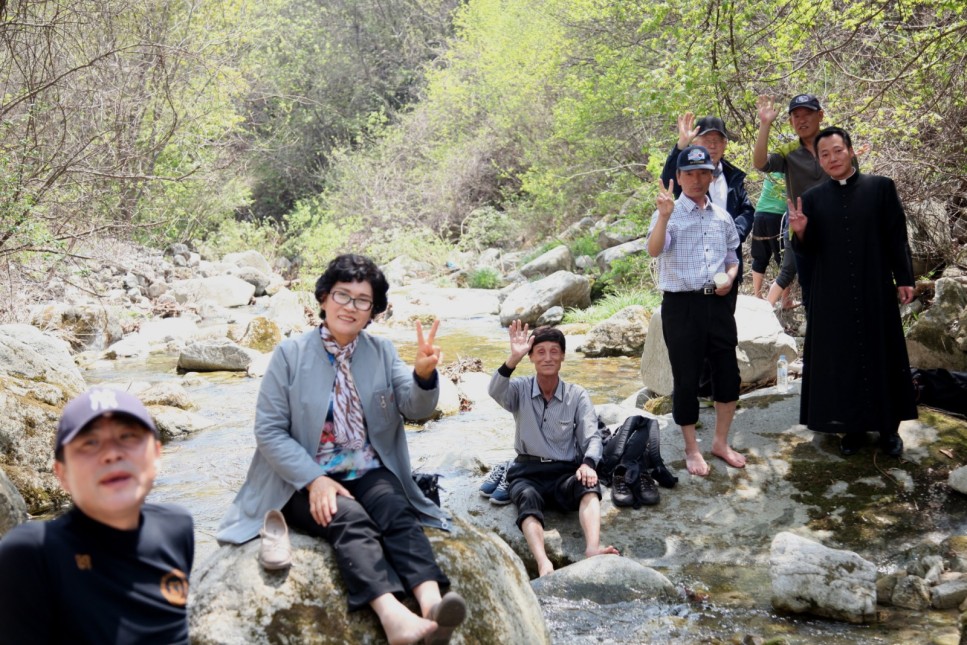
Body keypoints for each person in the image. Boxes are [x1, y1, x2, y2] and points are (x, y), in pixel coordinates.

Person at [217, 254, 466, 645]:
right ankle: (394, 618)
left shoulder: (381, 352)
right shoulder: (290, 355)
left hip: (365, 468)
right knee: (349, 519)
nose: (350, 307)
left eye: (363, 300)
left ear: (373, 311)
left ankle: (433, 604)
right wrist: (313, 479)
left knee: (395, 510)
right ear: (323, 298)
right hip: (298, 479)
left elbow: (416, 410)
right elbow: (268, 430)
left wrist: (423, 374)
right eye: (342, 295)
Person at [0, 388, 194, 644]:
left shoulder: (176, 528)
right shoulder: (33, 553)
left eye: (128, 436)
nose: (112, 454)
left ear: (157, 455)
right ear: (62, 474)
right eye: (90, 443)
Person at [787, 127, 917, 457]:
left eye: (837, 151)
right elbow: (808, 252)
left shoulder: (880, 187)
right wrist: (800, 232)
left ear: (851, 151)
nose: (832, 158)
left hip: (875, 287)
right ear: (818, 160)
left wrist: (905, 278)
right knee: (842, 359)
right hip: (834, 295)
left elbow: (896, 236)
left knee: (882, 354)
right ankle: (852, 427)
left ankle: (888, 429)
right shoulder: (812, 198)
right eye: (825, 154)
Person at [488, 322, 620, 577]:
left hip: (565, 473)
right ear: (531, 357)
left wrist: (588, 464)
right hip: (527, 471)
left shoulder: (576, 395)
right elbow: (494, 390)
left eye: (554, 351)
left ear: (563, 356)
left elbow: (592, 437)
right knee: (527, 498)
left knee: (589, 485)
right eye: (540, 352)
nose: (547, 358)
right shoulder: (519, 389)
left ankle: (592, 548)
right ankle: (543, 562)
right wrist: (512, 359)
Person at [647, 145, 746, 476]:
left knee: (728, 372)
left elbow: (732, 256)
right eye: (689, 173)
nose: (697, 179)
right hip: (681, 306)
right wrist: (663, 216)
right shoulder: (669, 213)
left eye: (704, 172)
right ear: (678, 177)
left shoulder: (722, 216)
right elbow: (654, 250)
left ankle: (720, 442)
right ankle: (691, 448)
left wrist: (730, 277)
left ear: (712, 176)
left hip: (717, 303)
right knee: (686, 377)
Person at [754, 93, 859, 310]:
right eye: (796, 116)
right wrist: (765, 125)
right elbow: (760, 163)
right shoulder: (789, 153)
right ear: (790, 122)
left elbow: (855, 186)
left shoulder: (838, 147)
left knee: (845, 291)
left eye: (807, 114)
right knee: (812, 294)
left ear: (820, 115)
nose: (802, 120)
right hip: (803, 234)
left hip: (840, 231)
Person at [660, 113, 755, 310]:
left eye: (717, 140)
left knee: (725, 320)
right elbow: (668, 181)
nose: (712, 146)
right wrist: (680, 147)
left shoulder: (733, 175)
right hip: (691, 276)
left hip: (726, 266)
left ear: (725, 144)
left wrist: (731, 234)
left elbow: (747, 210)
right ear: (695, 142)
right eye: (706, 140)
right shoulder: (688, 175)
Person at [750, 172, 788, 300]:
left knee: (759, 257)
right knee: (784, 260)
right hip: (778, 215)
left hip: (760, 214)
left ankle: (757, 295)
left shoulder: (771, 170)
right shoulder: (791, 169)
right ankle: (786, 300)